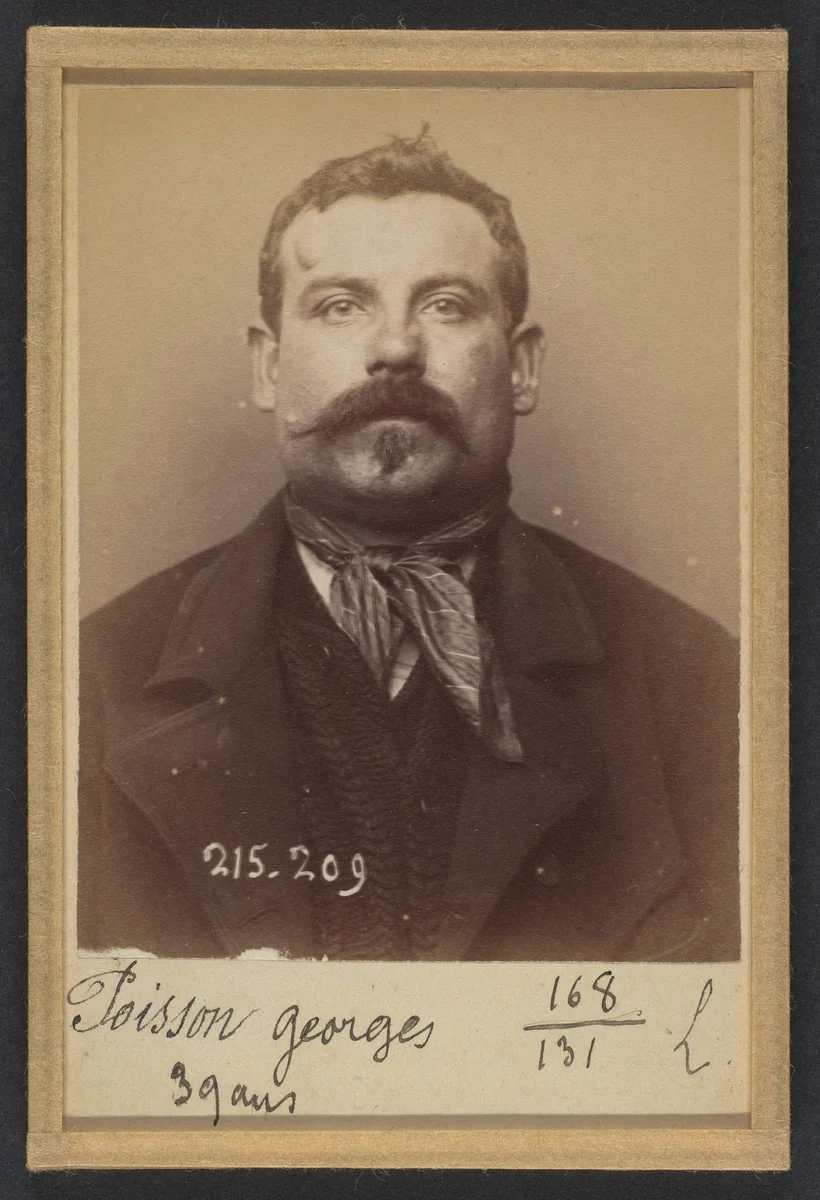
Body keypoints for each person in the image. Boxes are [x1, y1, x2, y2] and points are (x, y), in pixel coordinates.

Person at [78, 131, 740, 962]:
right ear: (268, 367)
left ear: (522, 369)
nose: (395, 348)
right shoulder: (89, 678)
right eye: (340, 306)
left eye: (446, 305)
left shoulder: (696, 679)